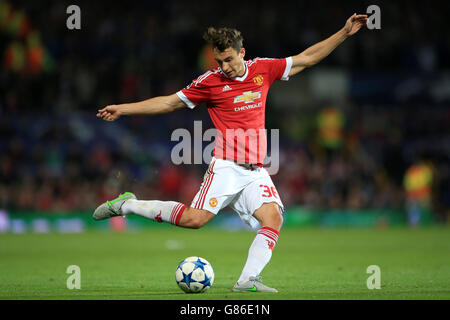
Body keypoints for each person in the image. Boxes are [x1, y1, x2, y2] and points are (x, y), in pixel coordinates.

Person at [93, 13, 368, 292]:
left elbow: (307, 58)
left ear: (242, 53)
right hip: (226, 166)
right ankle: (127, 204)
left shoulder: (264, 69)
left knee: (274, 218)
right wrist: (123, 108)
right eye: (219, 61)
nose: (224, 67)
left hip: (256, 171)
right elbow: (168, 103)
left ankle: (247, 280)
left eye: (229, 60)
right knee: (194, 220)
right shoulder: (209, 82)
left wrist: (344, 33)